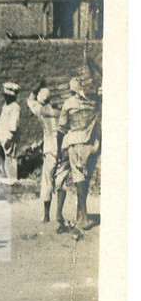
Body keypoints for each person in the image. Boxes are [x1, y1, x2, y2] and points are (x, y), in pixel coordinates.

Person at [56, 74, 101, 234]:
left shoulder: (69, 103)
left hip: (75, 143)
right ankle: (81, 215)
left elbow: (61, 127)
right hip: (90, 143)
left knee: (78, 179)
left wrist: (59, 148)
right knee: (86, 179)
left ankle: (84, 216)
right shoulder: (93, 104)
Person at [26, 85, 67, 224]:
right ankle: (59, 214)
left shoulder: (41, 110)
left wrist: (36, 86)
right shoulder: (59, 110)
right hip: (62, 148)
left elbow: (29, 101)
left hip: (50, 149)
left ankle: (46, 215)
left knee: (47, 181)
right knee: (61, 181)